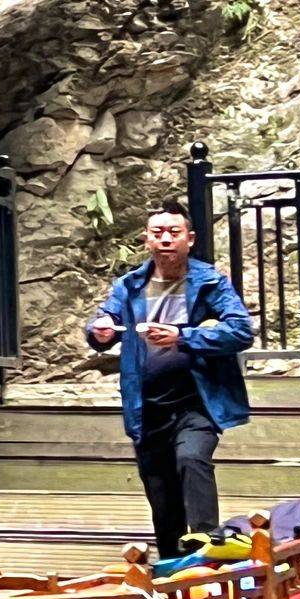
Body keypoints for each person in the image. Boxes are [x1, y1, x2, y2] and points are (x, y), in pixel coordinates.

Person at [84, 200, 254, 557]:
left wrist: (184, 336)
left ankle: (209, 545)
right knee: (162, 498)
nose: (165, 239)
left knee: (192, 459)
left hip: (196, 401)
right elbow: (103, 322)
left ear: (189, 239)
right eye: (157, 232)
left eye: (173, 232)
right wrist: (100, 330)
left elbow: (240, 330)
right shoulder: (130, 285)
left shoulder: (209, 282)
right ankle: (172, 569)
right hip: (147, 407)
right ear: (147, 239)